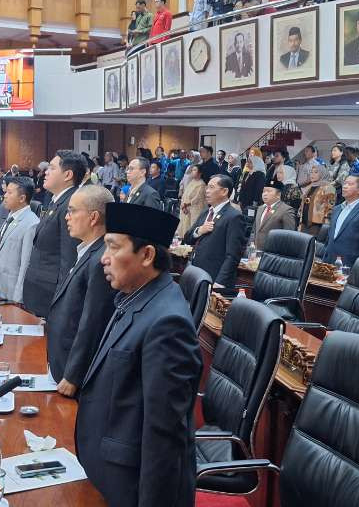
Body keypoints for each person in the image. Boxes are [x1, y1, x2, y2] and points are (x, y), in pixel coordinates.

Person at [75, 202, 201, 507]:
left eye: (113, 247)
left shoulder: (167, 324)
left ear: (146, 255)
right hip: (105, 469)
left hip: (130, 487)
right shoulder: (135, 296)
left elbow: (164, 437)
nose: (103, 259)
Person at [46, 185, 117, 393]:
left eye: (72, 211)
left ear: (93, 217)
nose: (67, 217)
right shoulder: (88, 249)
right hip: (61, 359)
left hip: (73, 372)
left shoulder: (100, 260)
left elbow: (92, 322)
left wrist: (73, 375)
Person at [23, 151, 85, 318]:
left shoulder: (71, 204)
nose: (45, 172)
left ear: (68, 175)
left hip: (49, 295)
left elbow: (69, 258)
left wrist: (61, 303)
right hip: (39, 289)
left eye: (51, 168)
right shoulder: (56, 201)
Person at [184, 174, 247, 290]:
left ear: (224, 191)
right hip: (196, 273)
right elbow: (187, 238)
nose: (207, 191)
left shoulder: (234, 217)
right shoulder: (206, 212)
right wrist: (199, 231)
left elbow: (233, 255)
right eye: (207, 187)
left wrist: (220, 283)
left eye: (211, 187)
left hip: (214, 278)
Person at [0, 176, 40, 302]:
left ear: (22, 198)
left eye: (9, 193)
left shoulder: (31, 223)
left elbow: (25, 264)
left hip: (11, 292)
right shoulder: (11, 216)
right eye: (5, 191)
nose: (4, 196)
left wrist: (19, 297)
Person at [251, 178, 297, 251]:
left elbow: (288, 236)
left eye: (269, 191)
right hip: (256, 251)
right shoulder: (260, 208)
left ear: (278, 195)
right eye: (264, 191)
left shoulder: (286, 210)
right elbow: (254, 230)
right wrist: (251, 246)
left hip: (273, 253)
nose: (265, 194)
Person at [299, 164, 336, 236]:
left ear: (322, 173)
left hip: (318, 224)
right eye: (311, 172)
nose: (312, 174)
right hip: (304, 222)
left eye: (316, 172)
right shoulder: (310, 187)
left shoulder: (329, 187)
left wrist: (325, 225)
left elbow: (330, 208)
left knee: (313, 245)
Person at [176, 164, 205, 238]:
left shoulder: (201, 184)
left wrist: (186, 205)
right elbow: (185, 194)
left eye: (195, 170)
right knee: (184, 225)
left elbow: (196, 199)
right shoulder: (191, 182)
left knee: (192, 226)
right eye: (192, 170)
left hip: (194, 209)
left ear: (200, 173)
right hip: (185, 208)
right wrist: (183, 206)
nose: (192, 172)